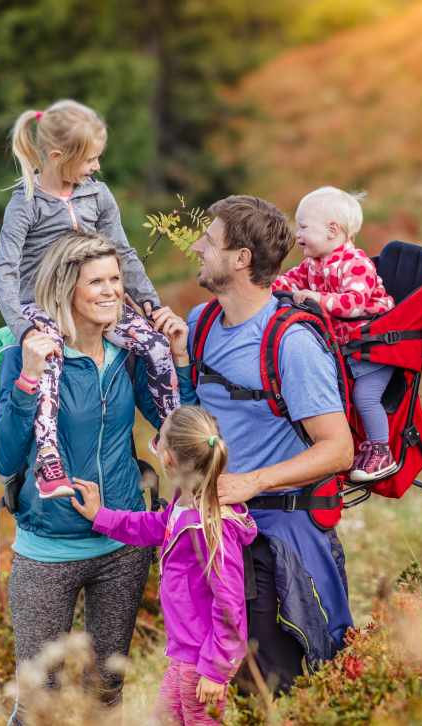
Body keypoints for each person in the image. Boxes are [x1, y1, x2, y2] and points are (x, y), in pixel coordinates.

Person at [0, 231, 197, 722]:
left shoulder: (128, 351)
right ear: (64, 290)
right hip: (48, 548)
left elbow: (178, 426)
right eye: (95, 282)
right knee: (42, 702)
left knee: (106, 694)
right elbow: (3, 456)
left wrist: (179, 358)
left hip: (122, 543)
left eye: (116, 280)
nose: (110, 291)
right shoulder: (28, 352)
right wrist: (28, 379)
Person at [151, 195, 356, 694]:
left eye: (211, 240)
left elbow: (338, 449)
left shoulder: (291, 343)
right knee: (225, 688)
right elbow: (201, 415)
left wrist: (250, 482)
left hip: (280, 538)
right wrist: (180, 361)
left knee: (282, 685)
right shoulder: (199, 325)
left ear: (241, 258)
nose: (198, 246)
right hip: (216, 536)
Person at [0, 99, 178, 500]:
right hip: (41, 305)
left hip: (96, 296)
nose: (96, 167)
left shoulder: (97, 194)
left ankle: (174, 433)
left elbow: (125, 254)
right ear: (59, 157)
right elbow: (5, 270)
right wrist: (23, 329)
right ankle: (48, 460)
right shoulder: (25, 203)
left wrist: (150, 304)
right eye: (90, 159)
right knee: (50, 362)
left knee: (156, 346)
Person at [70, 406, 257, 726]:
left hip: (202, 660)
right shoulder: (185, 502)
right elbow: (155, 526)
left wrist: (214, 669)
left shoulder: (212, 524)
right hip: (184, 654)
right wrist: (101, 517)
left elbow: (230, 604)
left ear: (168, 458)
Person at [272, 187, 397, 482]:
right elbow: (288, 281)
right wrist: (261, 282)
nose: (297, 235)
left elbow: (354, 305)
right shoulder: (313, 265)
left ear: (332, 230)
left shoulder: (356, 264)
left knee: (365, 396)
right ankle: (328, 453)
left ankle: (382, 450)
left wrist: (315, 298)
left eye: (303, 227)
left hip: (374, 349)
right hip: (345, 350)